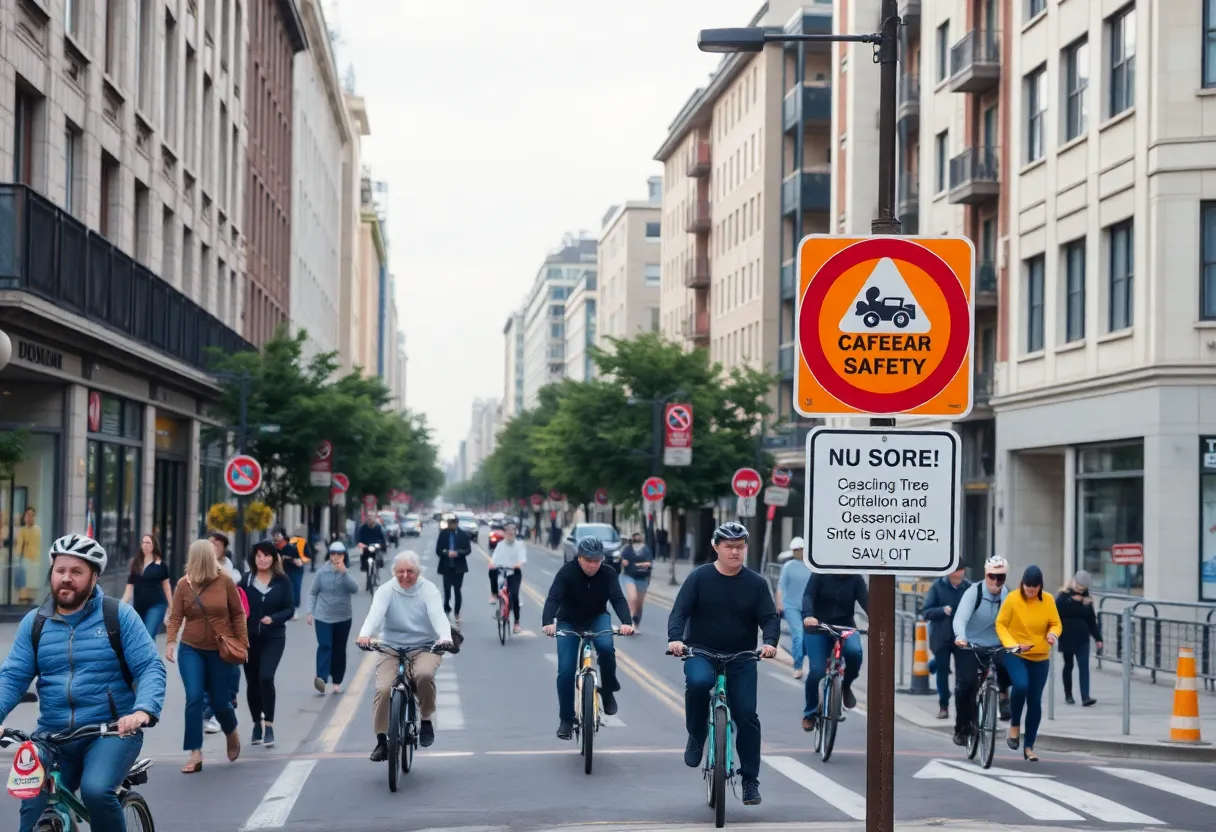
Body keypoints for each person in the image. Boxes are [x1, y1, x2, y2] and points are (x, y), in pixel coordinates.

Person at [0, 534, 166, 832]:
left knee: (95, 790)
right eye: (60, 570)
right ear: (51, 572)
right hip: (53, 734)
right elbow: (12, 677)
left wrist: (143, 710)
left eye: (76, 572)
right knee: (31, 789)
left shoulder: (118, 616)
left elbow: (149, 667)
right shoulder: (35, 623)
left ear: (93, 577)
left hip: (112, 731)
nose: (66, 578)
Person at [667, 522, 779, 808]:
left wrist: (769, 642)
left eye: (740, 547)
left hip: (741, 655)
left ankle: (750, 780)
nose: (735, 552)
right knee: (699, 682)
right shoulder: (699, 578)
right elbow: (679, 612)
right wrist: (675, 639)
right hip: (701, 650)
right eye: (729, 547)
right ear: (716, 547)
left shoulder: (756, 583)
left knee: (746, 715)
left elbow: (769, 618)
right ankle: (696, 734)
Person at [357, 551, 454, 760]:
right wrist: (364, 634)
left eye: (410, 571)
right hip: (391, 647)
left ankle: (426, 719)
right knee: (383, 688)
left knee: (424, 675)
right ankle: (382, 740)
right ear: (394, 572)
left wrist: (445, 636)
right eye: (400, 571)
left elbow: (438, 615)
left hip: (425, 646)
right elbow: (375, 614)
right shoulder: (386, 590)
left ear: (418, 572)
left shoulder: (428, 590)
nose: (405, 575)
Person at [166, 538, 247, 772]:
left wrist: (242, 643)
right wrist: (171, 641)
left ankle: (231, 730)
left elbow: (238, 614)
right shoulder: (184, 584)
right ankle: (195, 753)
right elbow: (175, 616)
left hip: (220, 650)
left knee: (220, 701)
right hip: (191, 648)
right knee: (193, 698)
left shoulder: (225, 581)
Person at [542, 537, 634, 740]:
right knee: (566, 670)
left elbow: (617, 598)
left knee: (607, 648)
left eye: (597, 560)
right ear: (579, 557)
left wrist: (627, 622)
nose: (593, 565)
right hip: (568, 621)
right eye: (588, 560)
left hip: (597, 618)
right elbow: (553, 597)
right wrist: (547, 622)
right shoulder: (567, 572)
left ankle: (607, 691)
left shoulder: (608, 573)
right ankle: (566, 719)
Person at [996, 564, 1061, 762]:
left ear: (1040, 586)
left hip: (1040, 657)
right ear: (1022, 584)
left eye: (1034, 588)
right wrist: (1012, 645)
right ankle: (1014, 725)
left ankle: (1029, 747)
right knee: (1021, 685)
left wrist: (1052, 634)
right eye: (1027, 587)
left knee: (1034, 702)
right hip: (1015, 652)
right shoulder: (1013, 598)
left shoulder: (1048, 600)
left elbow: (1056, 623)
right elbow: (1000, 624)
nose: (1030, 591)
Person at [951, 555, 1013, 746]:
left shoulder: (1007, 596)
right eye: (992, 576)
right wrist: (960, 636)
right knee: (966, 684)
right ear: (986, 575)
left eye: (1001, 577)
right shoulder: (973, 592)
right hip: (971, 644)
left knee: (1010, 664)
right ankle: (962, 728)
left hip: (996, 643)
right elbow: (960, 618)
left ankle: (1003, 695)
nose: (996, 581)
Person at [238, 541, 295, 747]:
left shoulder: (282, 580)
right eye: (258, 555)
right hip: (249, 638)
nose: (262, 559)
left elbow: (290, 608)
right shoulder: (245, 581)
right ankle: (256, 724)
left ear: (273, 558)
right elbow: (236, 605)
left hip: (274, 637)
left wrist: (274, 618)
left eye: (266, 555)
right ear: (253, 559)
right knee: (252, 682)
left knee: (266, 677)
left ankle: (269, 724)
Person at [800, 562, 868, 732]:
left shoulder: (856, 579)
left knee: (855, 652)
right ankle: (810, 712)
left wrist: (877, 621)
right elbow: (808, 596)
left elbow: (867, 602)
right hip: (818, 627)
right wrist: (808, 616)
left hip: (845, 627)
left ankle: (846, 686)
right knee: (816, 671)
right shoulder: (820, 573)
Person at [202, 531, 243, 735]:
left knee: (231, 665)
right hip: (204, 628)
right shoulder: (198, 568)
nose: (213, 547)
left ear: (224, 547)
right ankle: (210, 713)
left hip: (228, 627)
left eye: (217, 544)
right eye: (210, 544)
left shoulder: (231, 570)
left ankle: (228, 699)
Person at [306, 541, 359, 694]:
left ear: (344, 556)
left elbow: (355, 588)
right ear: (329, 555)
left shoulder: (346, 573)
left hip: (343, 617)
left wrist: (344, 572)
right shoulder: (322, 573)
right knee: (325, 645)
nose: (336, 557)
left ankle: (337, 680)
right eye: (333, 554)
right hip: (323, 616)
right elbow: (313, 592)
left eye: (339, 554)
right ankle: (321, 678)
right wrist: (310, 612)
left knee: (339, 649)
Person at [921, 564, 971, 719]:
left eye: (962, 570)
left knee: (962, 674)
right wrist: (941, 611)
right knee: (942, 671)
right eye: (957, 569)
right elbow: (926, 612)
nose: (960, 573)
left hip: (961, 638)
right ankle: (944, 705)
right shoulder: (938, 586)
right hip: (941, 637)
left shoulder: (969, 588)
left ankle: (961, 707)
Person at [1056, 569, 1102, 706]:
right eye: (1079, 586)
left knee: (1084, 666)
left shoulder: (1087, 600)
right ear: (1074, 582)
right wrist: (1075, 602)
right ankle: (1068, 694)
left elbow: (1091, 620)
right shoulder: (1064, 596)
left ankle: (1085, 696)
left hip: (1083, 637)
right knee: (1068, 665)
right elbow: (1060, 610)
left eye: (1083, 587)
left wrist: (1098, 638)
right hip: (1067, 636)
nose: (1081, 589)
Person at [122, 533, 173, 640]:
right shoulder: (136, 563)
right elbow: (129, 587)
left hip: (157, 604)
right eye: (143, 542)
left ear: (154, 545)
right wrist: (120, 604)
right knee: (140, 637)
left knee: (149, 635)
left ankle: (149, 656)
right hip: (139, 606)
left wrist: (171, 606)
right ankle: (150, 656)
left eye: (148, 542)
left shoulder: (160, 564)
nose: (145, 545)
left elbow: (166, 586)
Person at [774, 537, 810, 679]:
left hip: (807, 608)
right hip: (791, 606)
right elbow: (780, 587)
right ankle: (798, 667)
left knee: (808, 638)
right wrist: (779, 604)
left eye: (800, 549)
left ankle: (800, 654)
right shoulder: (788, 566)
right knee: (798, 635)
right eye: (796, 550)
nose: (798, 552)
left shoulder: (811, 566)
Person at [488, 520, 527, 634]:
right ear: (504, 533)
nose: (510, 533)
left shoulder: (519, 545)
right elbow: (494, 558)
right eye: (508, 531)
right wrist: (492, 564)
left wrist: (518, 564)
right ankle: (494, 594)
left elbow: (521, 559)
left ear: (515, 532)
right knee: (492, 572)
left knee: (514, 595)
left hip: (514, 572)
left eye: (512, 531)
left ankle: (516, 623)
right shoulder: (500, 545)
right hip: (502, 570)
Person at [434, 513, 471, 623]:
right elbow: (438, 550)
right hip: (446, 565)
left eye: (453, 523)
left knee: (457, 589)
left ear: (457, 523)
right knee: (447, 589)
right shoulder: (443, 534)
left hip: (459, 566)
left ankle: (457, 611)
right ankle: (446, 608)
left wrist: (458, 553)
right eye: (449, 523)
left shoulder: (463, 535)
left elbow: (468, 550)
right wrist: (446, 553)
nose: (451, 525)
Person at [619, 531, 653, 631]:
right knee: (632, 598)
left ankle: (636, 622)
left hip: (643, 578)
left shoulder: (646, 550)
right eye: (635, 538)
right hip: (630, 576)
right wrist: (624, 562)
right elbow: (623, 560)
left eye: (638, 538)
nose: (637, 540)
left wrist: (633, 565)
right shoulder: (627, 549)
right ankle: (630, 622)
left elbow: (648, 563)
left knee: (639, 604)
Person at [271, 527, 305, 618]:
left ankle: (294, 610)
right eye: (274, 535)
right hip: (281, 571)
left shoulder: (291, 548)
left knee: (294, 588)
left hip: (294, 571)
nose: (276, 537)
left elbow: (299, 560)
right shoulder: (274, 548)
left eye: (278, 534)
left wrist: (294, 560)